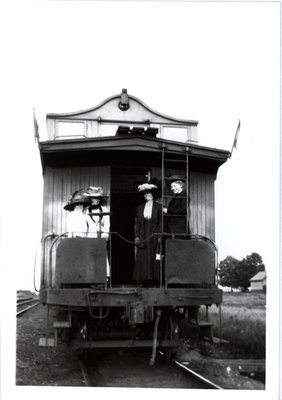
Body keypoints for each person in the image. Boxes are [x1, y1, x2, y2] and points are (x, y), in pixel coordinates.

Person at [132, 183, 162, 286]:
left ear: (152, 194)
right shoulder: (139, 208)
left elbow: (161, 222)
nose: (146, 195)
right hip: (143, 235)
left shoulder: (159, 207)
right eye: (145, 194)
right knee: (143, 258)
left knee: (153, 257)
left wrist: (159, 236)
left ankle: (154, 281)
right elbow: (138, 224)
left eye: (148, 193)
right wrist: (137, 236)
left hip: (154, 235)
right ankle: (144, 280)